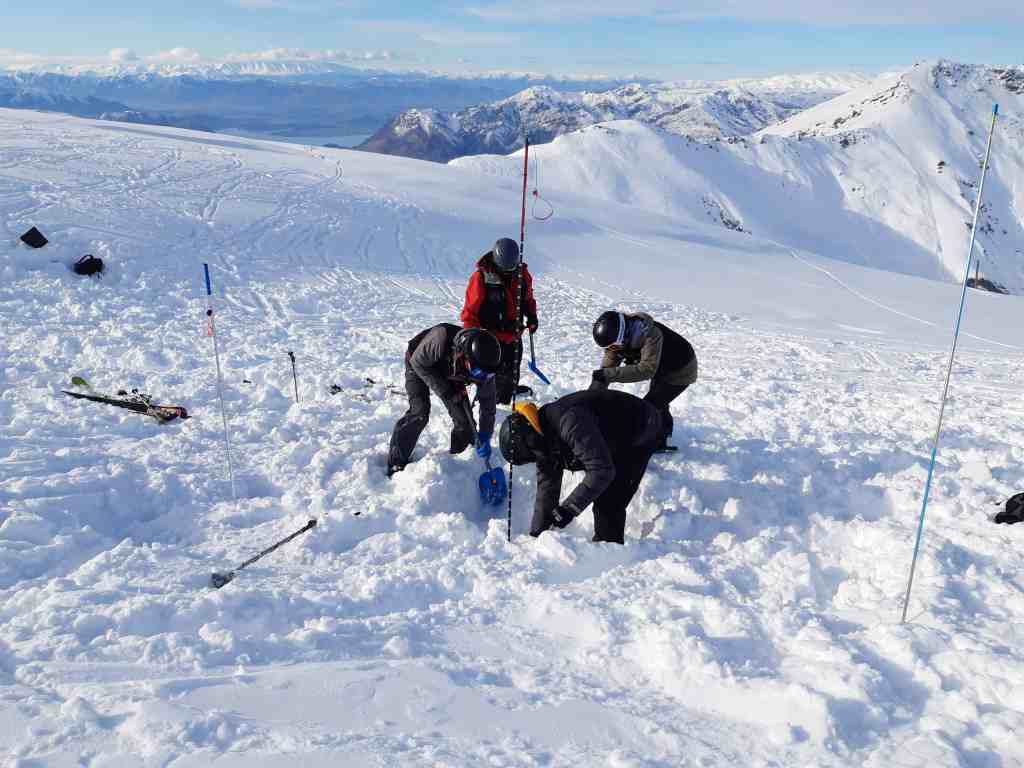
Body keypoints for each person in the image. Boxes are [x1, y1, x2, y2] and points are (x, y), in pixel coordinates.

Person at [498, 390, 663, 544]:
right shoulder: (540, 438)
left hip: (640, 427)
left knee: (609, 502)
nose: (534, 460)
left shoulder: (569, 422)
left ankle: (611, 556)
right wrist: (537, 536)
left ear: (531, 443)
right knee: (601, 485)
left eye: (530, 457)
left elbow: (601, 471)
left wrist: (568, 509)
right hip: (608, 435)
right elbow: (547, 491)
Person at [387, 324, 502, 476]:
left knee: (465, 423)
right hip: (418, 363)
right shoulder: (440, 339)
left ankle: (459, 465)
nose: (482, 379)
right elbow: (418, 362)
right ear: (466, 357)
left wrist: (486, 434)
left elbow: (488, 402)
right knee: (419, 412)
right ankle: (396, 461)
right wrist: (445, 390)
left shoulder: (485, 366)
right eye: (478, 373)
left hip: (452, 371)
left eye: (485, 375)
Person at [589, 311, 697, 450]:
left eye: (613, 347)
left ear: (624, 335)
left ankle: (655, 441)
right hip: (662, 366)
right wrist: (592, 398)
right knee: (658, 401)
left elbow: (647, 369)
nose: (611, 350)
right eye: (608, 348)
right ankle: (664, 429)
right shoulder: (616, 339)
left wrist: (607, 374)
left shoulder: (650, 335)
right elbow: (608, 365)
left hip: (681, 370)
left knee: (649, 407)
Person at [461, 237, 539, 404]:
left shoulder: (522, 275)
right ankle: (486, 405)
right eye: (505, 269)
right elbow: (470, 313)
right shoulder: (481, 278)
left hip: (514, 336)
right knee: (491, 375)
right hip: (490, 338)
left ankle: (507, 394)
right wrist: (472, 338)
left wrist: (532, 316)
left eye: (511, 267)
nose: (508, 272)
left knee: (512, 372)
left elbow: (527, 298)